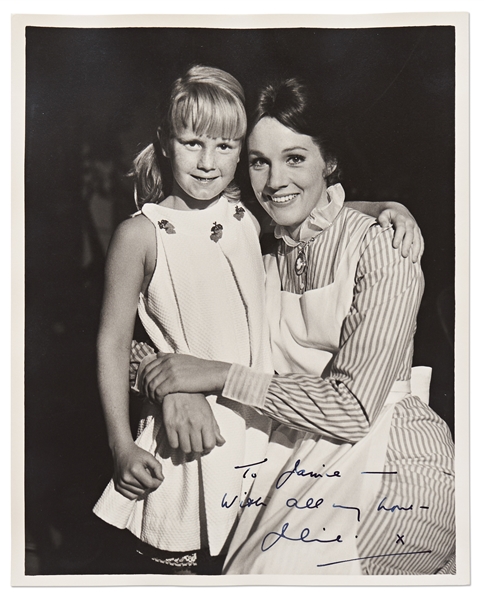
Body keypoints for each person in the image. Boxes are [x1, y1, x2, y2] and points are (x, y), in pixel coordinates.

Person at [136, 77, 455, 575]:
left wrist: (215, 376)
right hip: (290, 458)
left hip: (388, 456)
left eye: (295, 158)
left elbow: (352, 411)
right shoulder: (254, 247)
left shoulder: (381, 248)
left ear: (328, 161)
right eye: (260, 161)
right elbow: (149, 336)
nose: (275, 179)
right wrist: (172, 389)